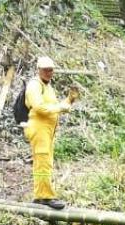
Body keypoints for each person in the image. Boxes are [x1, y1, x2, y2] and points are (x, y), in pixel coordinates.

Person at [24, 56, 75, 210]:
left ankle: (40, 194)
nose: (49, 73)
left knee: (44, 162)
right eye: (46, 70)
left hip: (48, 130)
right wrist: (61, 107)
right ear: (39, 70)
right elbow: (39, 108)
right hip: (38, 128)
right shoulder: (34, 85)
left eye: (51, 70)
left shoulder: (48, 87)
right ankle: (45, 196)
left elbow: (55, 107)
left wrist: (69, 100)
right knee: (43, 162)